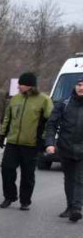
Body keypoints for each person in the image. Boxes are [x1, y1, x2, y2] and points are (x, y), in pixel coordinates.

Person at [0, 72, 53, 211]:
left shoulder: (44, 100)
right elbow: (7, 117)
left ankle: (25, 200)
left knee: (27, 174)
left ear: (29, 86)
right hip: (13, 142)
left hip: (31, 143)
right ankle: (9, 196)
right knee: (7, 169)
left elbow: (50, 122)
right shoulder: (15, 99)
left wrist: (44, 139)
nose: (19, 86)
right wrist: (2, 134)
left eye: (21, 84)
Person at [44, 76, 83, 222]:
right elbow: (51, 125)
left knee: (79, 178)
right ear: (75, 86)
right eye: (79, 84)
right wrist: (49, 143)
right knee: (69, 178)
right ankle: (70, 206)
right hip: (65, 147)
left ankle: (77, 208)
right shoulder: (64, 104)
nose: (81, 87)